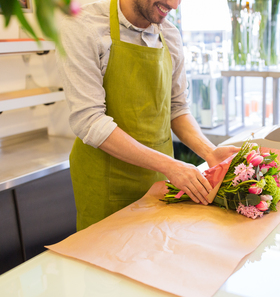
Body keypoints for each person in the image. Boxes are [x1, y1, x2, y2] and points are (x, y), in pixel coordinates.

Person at [57, 0, 239, 231]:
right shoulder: (83, 27)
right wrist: (171, 166)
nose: (174, 4)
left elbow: (177, 108)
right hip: (106, 182)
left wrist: (209, 152)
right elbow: (89, 121)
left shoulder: (170, 34)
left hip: (161, 179)